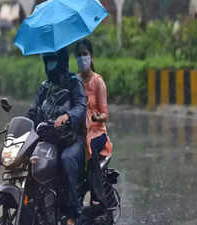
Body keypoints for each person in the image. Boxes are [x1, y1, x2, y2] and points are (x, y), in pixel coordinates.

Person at [26, 47, 86, 225]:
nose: (49, 64)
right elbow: (32, 111)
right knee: (29, 162)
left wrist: (68, 116)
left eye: (53, 60)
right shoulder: (44, 87)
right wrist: (20, 123)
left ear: (61, 60)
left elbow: (81, 106)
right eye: (47, 61)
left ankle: (75, 215)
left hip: (71, 140)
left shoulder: (74, 83)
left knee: (67, 161)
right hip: (48, 140)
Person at [74, 39, 112, 206]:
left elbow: (105, 114)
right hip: (79, 130)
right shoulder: (74, 81)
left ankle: (98, 199)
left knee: (88, 146)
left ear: (91, 56)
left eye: (85, 54)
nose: (82, 58)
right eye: (79, 55)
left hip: (97, 133)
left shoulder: (98, 82)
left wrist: (96, 118)